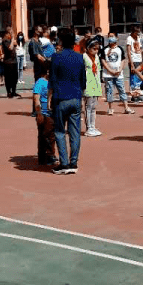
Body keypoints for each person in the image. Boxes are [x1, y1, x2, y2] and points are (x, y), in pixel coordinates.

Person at [49, 27, 86, 174]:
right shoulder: (79, 57)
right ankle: (73, 163)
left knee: (59, 131)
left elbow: (52, 80)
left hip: (61, 98)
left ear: (61, 40)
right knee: (75, 132)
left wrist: (49, 98)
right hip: (75, 97)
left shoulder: (56, 57)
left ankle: (64, 164)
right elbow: (83, 81)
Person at [102, 34, 133, 115]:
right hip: (108, 75)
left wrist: (120, 69)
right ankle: (110, 108)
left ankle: (126, 107)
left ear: (116, 38)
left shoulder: (120, 49)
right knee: (109, 91)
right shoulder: (105, 49)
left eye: (112, 36)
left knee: (122, 90)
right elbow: (103, 61)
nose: (111, 38)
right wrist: (110, 70)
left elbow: (123, 60)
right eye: (110, 36)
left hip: (119, 75)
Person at [33, 63, 56, 165]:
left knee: (51, 135)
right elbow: (36, 98)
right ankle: (47, 155)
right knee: (45, 135)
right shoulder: (41, 82)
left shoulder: (55, 81)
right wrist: (39, 113)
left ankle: (47, 155)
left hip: (53, 113)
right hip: (44, 112)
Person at [83, 37, 104, 137]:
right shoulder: (84, 57)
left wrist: (99, 85)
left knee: (94, 107)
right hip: (88, 84)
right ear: (88, 48)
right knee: (89, 107)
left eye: (97, 49)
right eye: (94, 48)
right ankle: (89, 128)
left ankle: (93, 126)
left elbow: (98, 71)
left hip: (96, 84)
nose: (96, 51)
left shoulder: (96, 58)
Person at [126, 27, 143, 102]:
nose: (137, 34)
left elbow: (141, 49)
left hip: (139, 60)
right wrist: (131, 64)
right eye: (136, 32)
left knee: (139, 78)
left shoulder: (138, 38)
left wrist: (142, 60)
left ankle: (138, 94)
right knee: (133, 79)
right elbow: (128, 52)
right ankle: (134, 95)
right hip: (133, 60)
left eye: (138, 32)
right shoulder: (129, 39)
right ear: (133, 32)